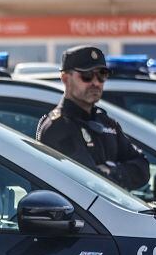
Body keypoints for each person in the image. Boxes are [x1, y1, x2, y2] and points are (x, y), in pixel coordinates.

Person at [37, 45, 150, 190]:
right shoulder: (58, 126)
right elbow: (89, 181)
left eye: (101, 75)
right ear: (65, 78)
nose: (95, 82)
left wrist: (111, 171)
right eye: (87, 76)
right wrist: (118, 172)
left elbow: (142, 167)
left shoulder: (106, 123)